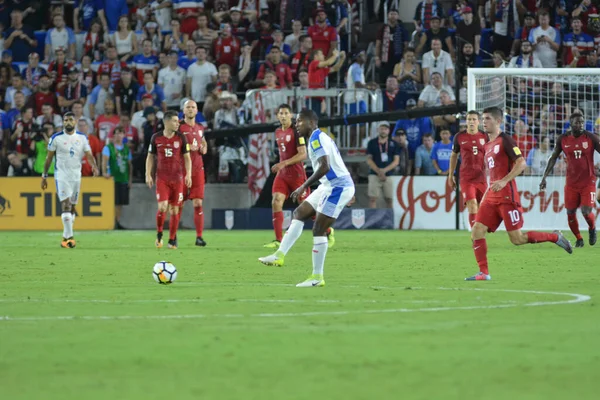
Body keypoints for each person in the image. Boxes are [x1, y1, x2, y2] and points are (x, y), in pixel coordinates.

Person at [468, 107, 572, 281]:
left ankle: (555, 237)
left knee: (517, 239)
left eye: (487, 119)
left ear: (498, 121)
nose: (483, 122)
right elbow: (493, 173)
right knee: (476, 231)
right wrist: (488, 190)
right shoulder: (487, 144)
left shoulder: (505, 140)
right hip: (492, 196)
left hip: (507, 197)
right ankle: (483, 273)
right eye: (483, 119)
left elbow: (521, 163)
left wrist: (504, 181)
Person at [258, 110, 355, 287]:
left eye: (300, 121)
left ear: (311, 122)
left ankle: (317, 277)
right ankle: (279, 255)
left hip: (337, 187)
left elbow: (325, 166)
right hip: (330, 185)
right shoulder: (317, 138)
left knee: (318, 229)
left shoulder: (317, 139)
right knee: (299, 212)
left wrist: (303, 186)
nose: (297, 124)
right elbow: (335, 162)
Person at [540, 112, 600, 248]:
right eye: (577, 122)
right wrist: (544, 177)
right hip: (571, 183)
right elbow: (553, 157)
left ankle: (592, 228)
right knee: (570, 213)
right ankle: (579, 238)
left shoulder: (590, 138)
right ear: (571, 124)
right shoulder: (563, 139)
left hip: (588, 181)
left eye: (582, 122)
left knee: (586, 211)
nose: (580, 125)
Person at [41, 112, 100, 248]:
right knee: (66, 205)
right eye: (65, 120)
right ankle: (71, 237)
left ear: (75, 122)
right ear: (63, 122)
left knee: (72, 207)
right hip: (61, 176)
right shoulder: (56, 138)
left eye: (70, 120)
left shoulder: (82, 138)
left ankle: (65, 237)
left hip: (76, 176)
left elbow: (89, 154)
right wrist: (44, 176)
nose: (68, 122)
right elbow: (49, 158)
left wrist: (94, 166)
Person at [264, 104, 310, 248]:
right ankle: (278, 240)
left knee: (306, 207)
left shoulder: (297, 132)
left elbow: (303, 154)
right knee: (276, 201)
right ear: (277, 116)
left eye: (286, 113)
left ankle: (328, 230)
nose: (283, 116)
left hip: (296, 174)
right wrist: (282, 166)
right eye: (280, 113)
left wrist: (283, 163)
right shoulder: (278, 132)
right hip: (283, 175)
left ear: (291, 115)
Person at [145, 110, 192, 249]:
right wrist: (148, 174)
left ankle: (172, 240)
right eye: (175, 121)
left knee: (175, 210)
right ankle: (159, 234)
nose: (178, 123)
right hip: (162, 178)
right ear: (166, 122)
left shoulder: (181, 138)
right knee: (162, 207)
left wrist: (188, 175)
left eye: (178, 121)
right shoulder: (156, 138)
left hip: (178, 179)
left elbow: (187, 158)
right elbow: (150, 157)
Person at [448, 110, 488, 228]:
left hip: (481, 177)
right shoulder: (459, 137)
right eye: (469, 119)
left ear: (479, 121)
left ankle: (479, 231)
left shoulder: (485, 136)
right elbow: (454, 155)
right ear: (466, 121)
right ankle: (474, 234)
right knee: (472, 204)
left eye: (474, 119)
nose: (471, 122)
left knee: (482, 207)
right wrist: (451, 176)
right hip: (466, 178)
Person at [178, 100, 208, 247]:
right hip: (181, 171)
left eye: (193, 107)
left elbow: (203, 142)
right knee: (178, 204)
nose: (190, 109)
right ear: (183, 110)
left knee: (198, 203)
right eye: (188, 107)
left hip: (198, 170)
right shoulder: (178, 127)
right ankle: (173, 236)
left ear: (197, 111)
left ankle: (199, 237)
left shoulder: (200, 128)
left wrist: (204, 148)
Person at [102, 126, 132, 230]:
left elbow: (129, 165)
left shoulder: (126, 149)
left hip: (123, 178)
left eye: (121, 133)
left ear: (124, 135)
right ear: (113, 135)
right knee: (113, 202)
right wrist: (104, 172)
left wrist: (130, 179)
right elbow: (104, 161)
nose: (119, 135)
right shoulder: (108, 147)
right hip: (112, 179)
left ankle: (117, 221)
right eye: (117, 133)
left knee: (120, 203)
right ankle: (111, 221)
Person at [366, 121, 400, 208]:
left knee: (390, 199)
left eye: (385, 129)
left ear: (389, 131)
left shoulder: (394, 143)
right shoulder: (372, 143)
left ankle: (389, 219)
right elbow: (369, 160)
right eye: (381, 129)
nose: (383, 131)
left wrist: (384, 171)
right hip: (374, 173)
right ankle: (372, 219)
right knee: (372, 198)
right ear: (378, 130)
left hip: (388, 174)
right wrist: (379, 171)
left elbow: (396, 161)